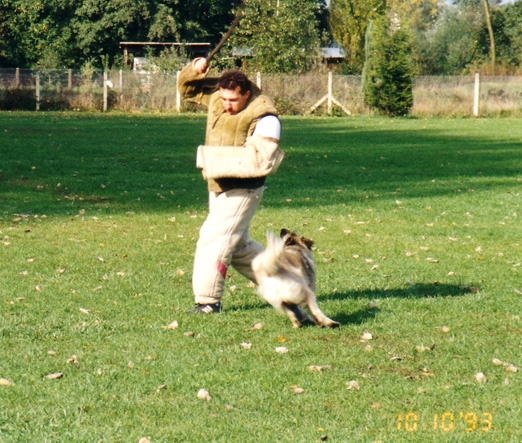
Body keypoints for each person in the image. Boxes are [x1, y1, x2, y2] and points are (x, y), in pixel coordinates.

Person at [178, 57, 282, 313]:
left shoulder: (266, 117)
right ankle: (286, 284)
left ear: (246, 94)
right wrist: (194, 70)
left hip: (244, 188)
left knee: (214, 239)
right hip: (218, 184)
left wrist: (210, 158)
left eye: (233, 100)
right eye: (223, 99)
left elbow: (259, 159)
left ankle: (207, 302)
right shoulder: (219, 99)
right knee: (237, 247)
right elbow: (187, 90)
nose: (226, 105)